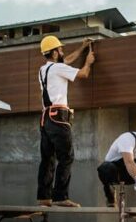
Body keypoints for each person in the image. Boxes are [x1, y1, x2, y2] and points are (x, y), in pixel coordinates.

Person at [36, 35, 95, 208]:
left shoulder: (44, 69)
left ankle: (44, 197)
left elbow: (66, 61)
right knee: (66, 157)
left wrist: (82, 48)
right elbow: (83, 74)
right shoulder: (58, 68)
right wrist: (88, 62)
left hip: (45, 118)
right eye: (60, 49)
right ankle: (60, 197)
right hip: (58, 118)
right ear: (54, 53)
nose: (62, 51)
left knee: (47, 159)